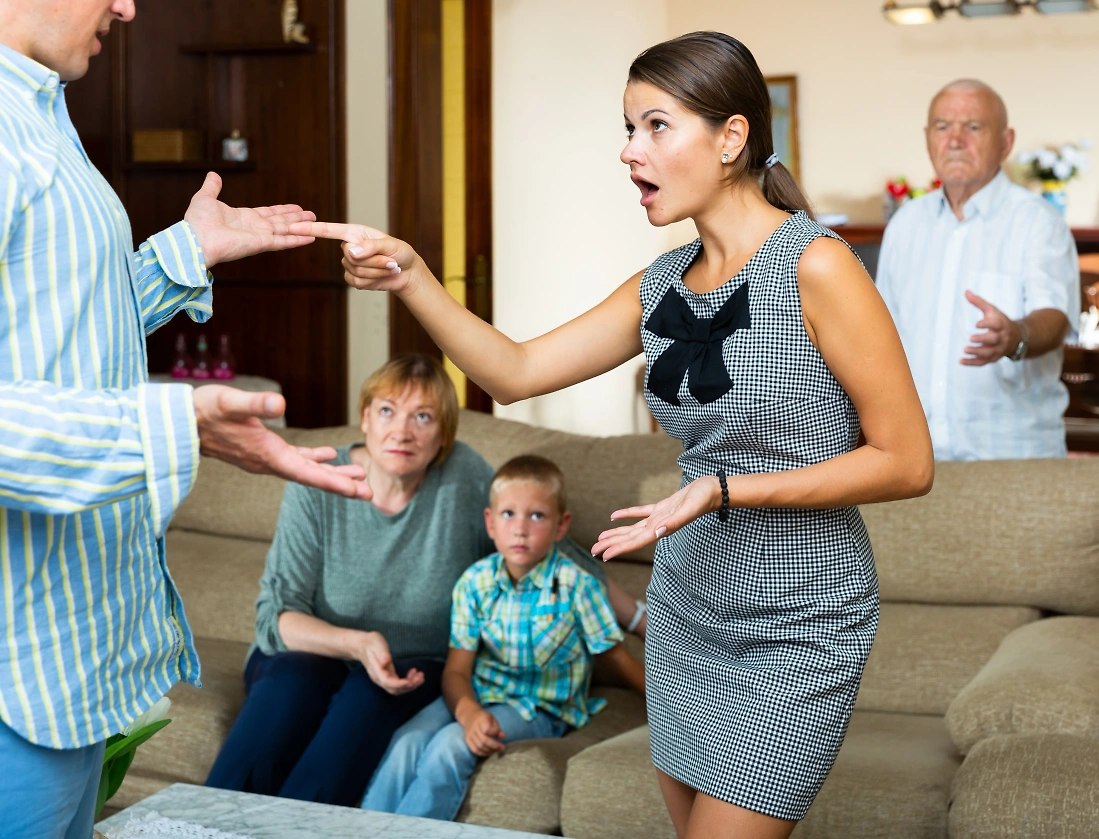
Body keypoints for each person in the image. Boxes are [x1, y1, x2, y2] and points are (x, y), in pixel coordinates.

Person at [292, 30, 932, 839]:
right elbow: (517, 368)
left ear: (731, 137)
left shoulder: (818, 266)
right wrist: (412, 274)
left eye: (656, 126)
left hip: (796, 624)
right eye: (629, 129)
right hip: (687, 612)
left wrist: (730, 488)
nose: (631, 151)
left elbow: (907, 462)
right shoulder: (659, 283)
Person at [0, 2, 370, 837]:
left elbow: (54, 335)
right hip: (13, 682)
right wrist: (177, 425)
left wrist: (183, 254)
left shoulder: (42, 119)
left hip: (63, 669)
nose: (128, 7)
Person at [205, 355, 495, 805]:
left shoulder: (466, 476)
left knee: (368, 695)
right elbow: (275, 620)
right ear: (364, 419)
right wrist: (358, 644)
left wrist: (634, 616)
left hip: (415, 664)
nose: (402, 431)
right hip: (310, 652)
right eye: (387, 411)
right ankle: (205, 825)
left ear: (444, 435)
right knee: (291, 680)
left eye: (423, 417)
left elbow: (533, 547)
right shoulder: (318, 480)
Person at [360, 455, 645, 818]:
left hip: (541, 707)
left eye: (537, 516)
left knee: (450, 745)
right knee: (407, 740)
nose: (521, 529)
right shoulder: (474, 583)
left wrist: (671, 711)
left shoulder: (578, 586)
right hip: (478, 692)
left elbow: (619, 658)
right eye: (509, 515)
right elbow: (457, 672)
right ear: (490, 523)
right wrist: (468, 711)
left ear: (561, 526)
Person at [876, 79, 1080, 461]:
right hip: (917, 458)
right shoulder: (905, 224)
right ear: (927, 138)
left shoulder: (1038, 222)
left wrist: (1015, 335)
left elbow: (1053, 318)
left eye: (973, 127)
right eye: (942, 127)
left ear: (1005, 142)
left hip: (1011, 455)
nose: (955, 140)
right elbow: (882, 333)